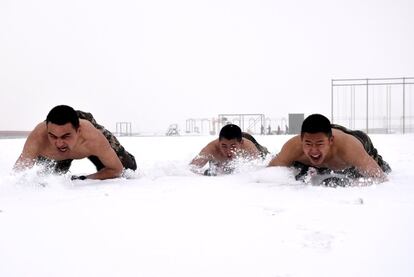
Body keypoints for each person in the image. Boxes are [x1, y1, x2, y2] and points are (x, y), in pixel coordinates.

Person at [14, 105, 137, 180]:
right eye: (53, 136)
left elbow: (116, 169)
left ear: (78, 131)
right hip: (58, 141)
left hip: (84, 125)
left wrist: (84, 179)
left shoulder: (92, 137)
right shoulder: (38, 138)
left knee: (128, 168)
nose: (59, 143)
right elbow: (17, 174)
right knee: (50, 178)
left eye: (65, 136)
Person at [268, 114, 391, 185]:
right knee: (297, 171)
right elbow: (270, 171)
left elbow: (380, 178)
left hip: (357, 140)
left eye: (319, 144)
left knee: (382, 168)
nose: (314, 150)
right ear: (302, 140)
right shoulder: (293, 147)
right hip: (326, 136)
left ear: (331, 141)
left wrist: (349, 183)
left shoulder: (349, 148)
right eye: (308, 144)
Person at [190, 124, 269, 175]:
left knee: (266, 155)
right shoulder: (211, 149)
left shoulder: (249, 147)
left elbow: (260, 170)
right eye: (224, 146)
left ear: (241, 143)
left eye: (233, 146)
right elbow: (191, 169)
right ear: (219, 142)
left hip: (252, 142)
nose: (228, 151)